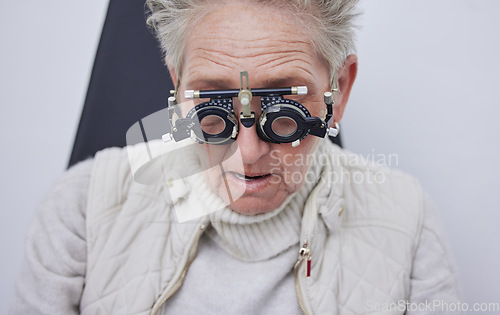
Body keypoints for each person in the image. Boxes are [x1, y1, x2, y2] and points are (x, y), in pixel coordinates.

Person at [12, 0, 461, 314]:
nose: (248, 154)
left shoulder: (407, 220)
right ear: (177, 85)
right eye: (211, 108)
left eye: (284, 113)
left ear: (338, 90)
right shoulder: (81, 209)